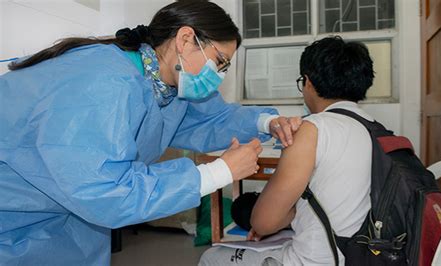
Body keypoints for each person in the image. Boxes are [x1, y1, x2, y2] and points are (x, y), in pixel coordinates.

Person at [0, 2, 303, 265]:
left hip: (62, 221)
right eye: (220, 61)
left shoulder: (167, 89)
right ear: (186, 39)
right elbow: (104, 190)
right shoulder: (104, 83)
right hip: (13, 215)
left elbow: (212, 120)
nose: (220, 75)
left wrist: (265, 123)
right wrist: (217, 173)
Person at [199, 36, 375, 265]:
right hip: (365, 256)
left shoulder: (311, 129)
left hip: (315, 260)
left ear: (308, 82)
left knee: (211, 258)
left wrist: (274, 220)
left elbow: (262, 222)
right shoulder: (376, 130)